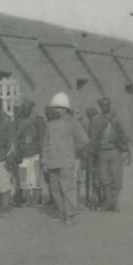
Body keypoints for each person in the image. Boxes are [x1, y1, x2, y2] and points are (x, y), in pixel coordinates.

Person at [41, 92, 89, 224]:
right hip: (52, 162)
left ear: (66, 109)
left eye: (60, 107)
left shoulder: (72, 122)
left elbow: (84, 140)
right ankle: (63, 213)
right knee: (55, 190)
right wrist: (44, 162)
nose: (57, 110)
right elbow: (45, 145)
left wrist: (72, 149)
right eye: (55, 107)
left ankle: (71, 215)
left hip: (66, 162)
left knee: (68, 189)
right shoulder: (50, 124)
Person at [89, 97, 131, 211]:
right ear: (100, 107)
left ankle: (114, 202)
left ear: (110, 105)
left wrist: (127, 150)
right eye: (103, 105)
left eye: (107, 104)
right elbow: (93, 137)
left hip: (115, 151)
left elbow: (124, 134)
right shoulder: (97, 121)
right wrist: (92, 152)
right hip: (101, 152)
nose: (105, 106)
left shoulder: (116, 119)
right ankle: (107, 202)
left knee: (116, 177)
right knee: (104, 178)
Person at [16, 99, 46, 207]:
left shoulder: (37, 119)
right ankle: (27, 199)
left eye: (27, 107)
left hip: (35, 152)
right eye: (24, 107)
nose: (25, 109)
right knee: (24, 177)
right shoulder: (19, 121)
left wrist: (41, 151)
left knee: (35, 177)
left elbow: (42, 136)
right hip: (23, 153)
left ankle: (35, 199)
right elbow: (16, 136)